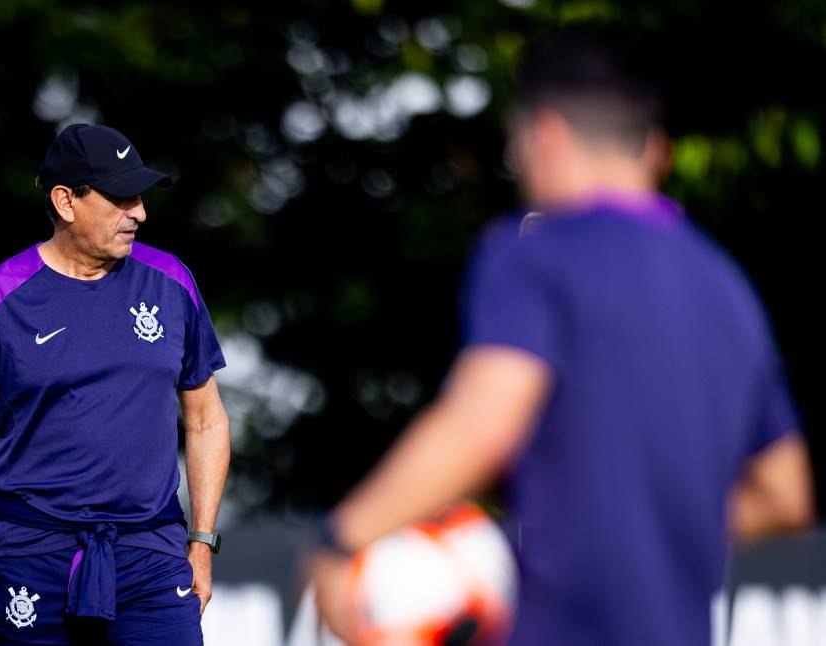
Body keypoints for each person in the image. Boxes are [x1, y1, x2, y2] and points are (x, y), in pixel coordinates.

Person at [312, 26, 814, 646]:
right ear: (651, 147)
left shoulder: (538, 251)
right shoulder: (725, 285)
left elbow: (484, 421)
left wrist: (343, 540)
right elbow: (786, 496)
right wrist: (643, 529)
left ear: (545, 133)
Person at [0, 123, 230, 645]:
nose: (140, 213)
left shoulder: (172, 280)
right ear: (66, 201)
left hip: (150, 552)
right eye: (122, 198)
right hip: (29, 552)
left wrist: (201, 544)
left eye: (142, 198)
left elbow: (207, 419)